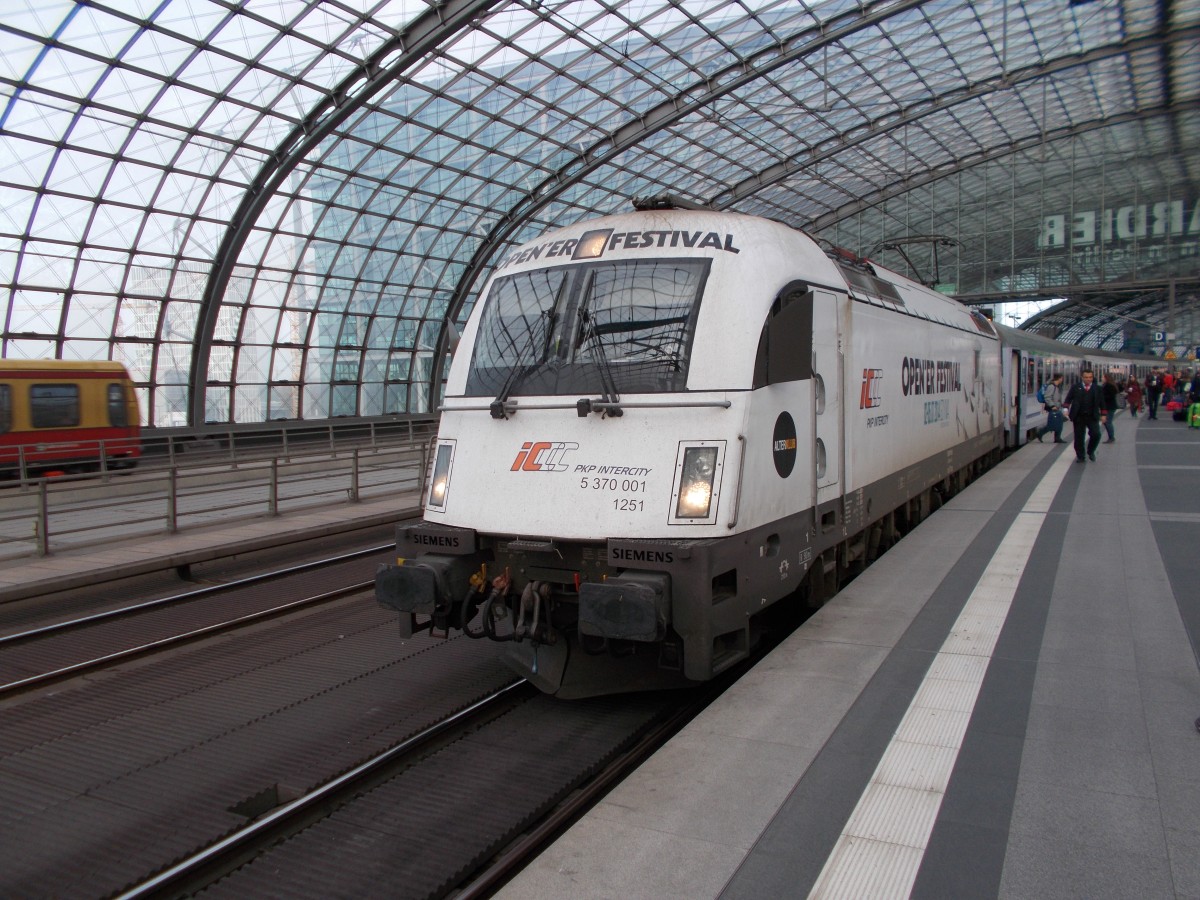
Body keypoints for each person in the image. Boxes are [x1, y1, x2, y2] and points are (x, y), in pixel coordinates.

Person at [1064, 369, 1107, 462]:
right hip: (1078, 416)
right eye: (1086, 377)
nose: (1088, 379)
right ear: (1082, 378)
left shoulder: (1097, 388)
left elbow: (1102, 402)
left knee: (1096, 434)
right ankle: (1080, 456)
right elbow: (1068, 399)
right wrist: (1065, 409)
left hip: (1092, 416)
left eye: (1090, 377)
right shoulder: (1075, 387)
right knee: (1079, 437)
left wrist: (1103, 414)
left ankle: (1091, 451)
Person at [1035, 373, 1067, 443]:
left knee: (1059, 421)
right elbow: (1047, 397)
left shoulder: (1056, 386)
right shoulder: (1052, 386)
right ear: (1060, 378)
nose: (1062, 380)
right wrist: (1052, 406)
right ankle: (1040, 432)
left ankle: (1057, 438)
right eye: (1062, 378)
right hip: (1053, 407)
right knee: (1054, 423)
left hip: (1056, 407)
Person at [1101, 372, 1119, 442]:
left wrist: (1102, 397)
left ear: (1106, 378)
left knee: (1108, 422)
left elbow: (1111, 396)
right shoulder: (1107, 385)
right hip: (1109, 406)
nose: (1101, 378)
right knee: (1106, 422)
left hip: (1110, 407)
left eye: (1103, 377)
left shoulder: (1109, 386)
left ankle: (1111, 437)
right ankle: (1111, 437)